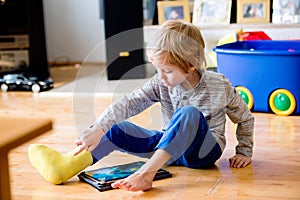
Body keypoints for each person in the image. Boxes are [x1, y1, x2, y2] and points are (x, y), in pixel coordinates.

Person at [28, 20, 254, 192]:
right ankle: (64, 166)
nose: (161, 77)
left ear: (191, 65)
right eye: (158, 70)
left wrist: (244, 151)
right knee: (117, 128)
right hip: (169, 149)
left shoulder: (219, 85)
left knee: (189, 114)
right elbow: (130, 102)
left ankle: (147, 173)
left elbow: (245, 117)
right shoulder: (160, 83)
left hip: (202, 153)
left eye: (167, 71)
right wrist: (99, 127)